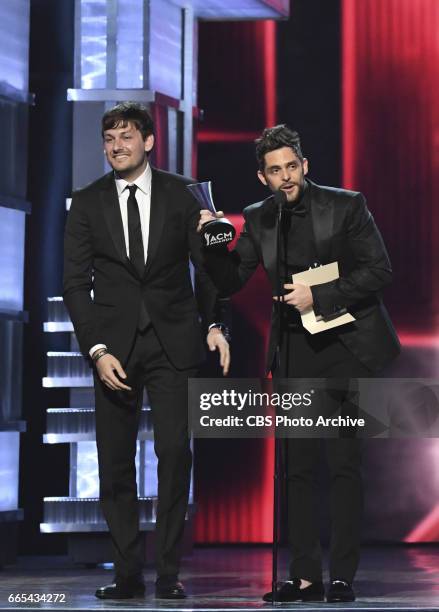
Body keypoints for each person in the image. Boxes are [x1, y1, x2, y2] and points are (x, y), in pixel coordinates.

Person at [198, 125, 400, 603]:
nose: (286, 177)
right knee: (298, 467)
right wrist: (210, 240)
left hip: (348, 346)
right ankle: (305, 575)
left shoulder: (347, 205)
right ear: (262, 177)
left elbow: (379, 270)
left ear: (304, 166)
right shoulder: (259, 218)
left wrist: (320, 294)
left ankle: (343, 576)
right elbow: (229, 279)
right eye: (275, 171)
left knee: (344, 464)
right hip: (296, 349)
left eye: (292, 166)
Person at [63, 102, 229, 600]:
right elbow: (74, 284)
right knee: (114, 464)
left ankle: (169, 573)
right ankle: (127, 572)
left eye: (126, 136)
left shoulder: (184, 193)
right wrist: (95, 348)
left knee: (176, 456)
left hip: (174, 341)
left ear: (149, 142)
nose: (117, 146)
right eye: (109, 138)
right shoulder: (87, 202)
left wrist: (215, 324)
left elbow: (209, 269)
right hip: (113, 347)